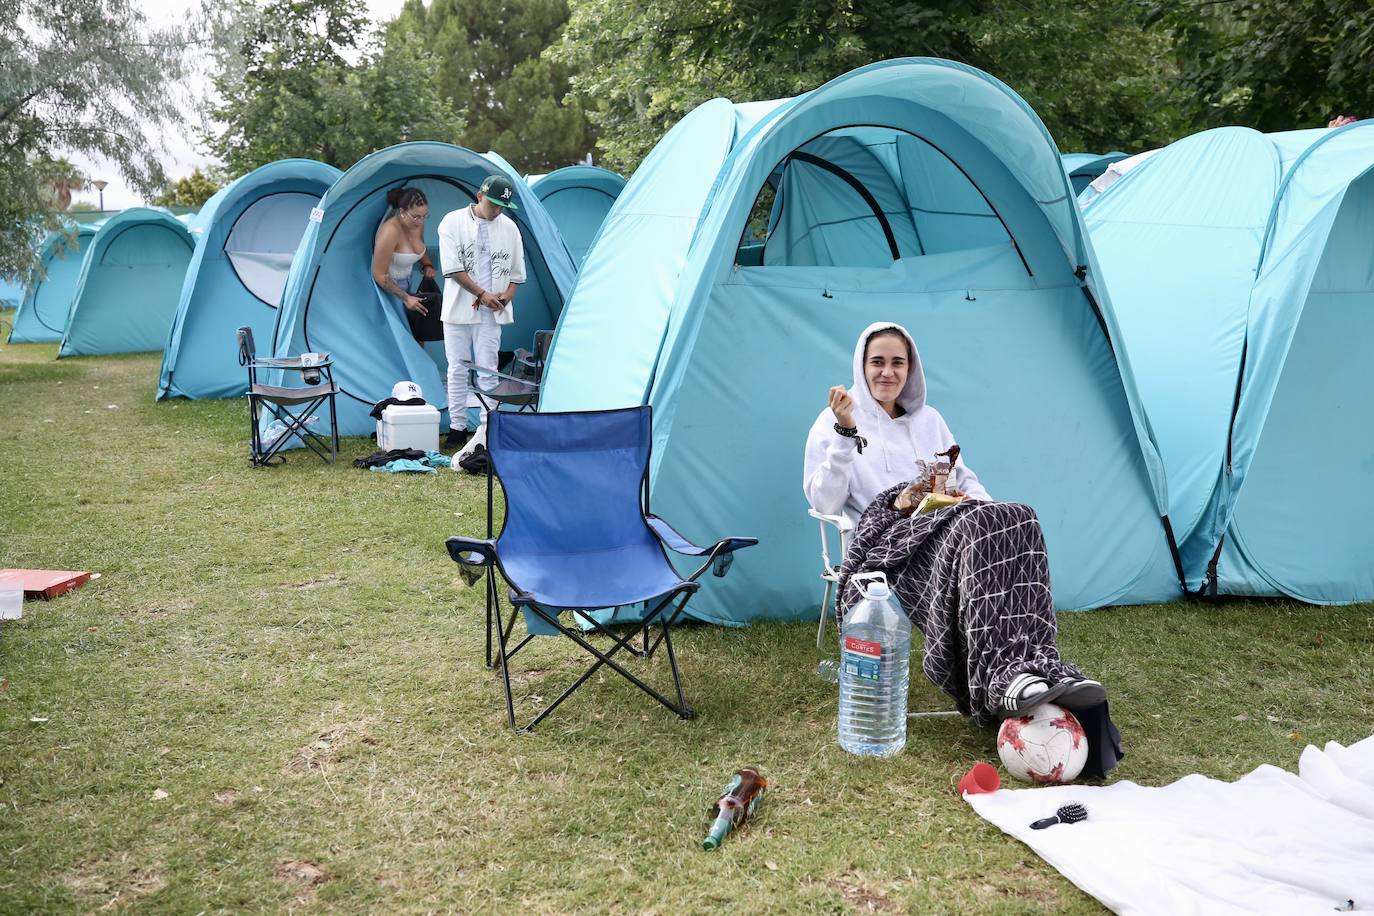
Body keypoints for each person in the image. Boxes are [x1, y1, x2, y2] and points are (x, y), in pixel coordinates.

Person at [803, 322, 1108, 725]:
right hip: (889, 539)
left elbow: (963, 477)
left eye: (898, 363)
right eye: (877, 362)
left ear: (911, 368)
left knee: (1019, 516)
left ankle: (1035, 665)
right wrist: (845, 434)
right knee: (975, 529)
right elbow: (822, 500)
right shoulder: (835, 420)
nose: (887, 373)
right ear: (861, 366)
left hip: (947, 522)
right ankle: (999, 681)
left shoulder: (930, 420)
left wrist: (984, 510)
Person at [437, 174, 526, 448]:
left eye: (502, 206)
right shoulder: (451, 222)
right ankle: (457, 427)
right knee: (457, 368)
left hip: (492, 310)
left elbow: (516, 272)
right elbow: (453, 269)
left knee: (488, 369)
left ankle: (490, 427)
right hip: (458, 308)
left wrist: (507, 295)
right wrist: (482, 294)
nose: (497, 210)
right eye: (494, 204)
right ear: (479, 196)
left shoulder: (509, 227)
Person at [372, 186, 436, 317]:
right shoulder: (390, 232)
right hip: (388, 289)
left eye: (425, 216)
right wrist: (406, 298)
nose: (421, 221)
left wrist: (427, 265)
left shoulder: (417, 224)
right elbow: (378, 274)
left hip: (407, 283)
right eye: (416, 217)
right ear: (402, 212)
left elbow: (420, 247)